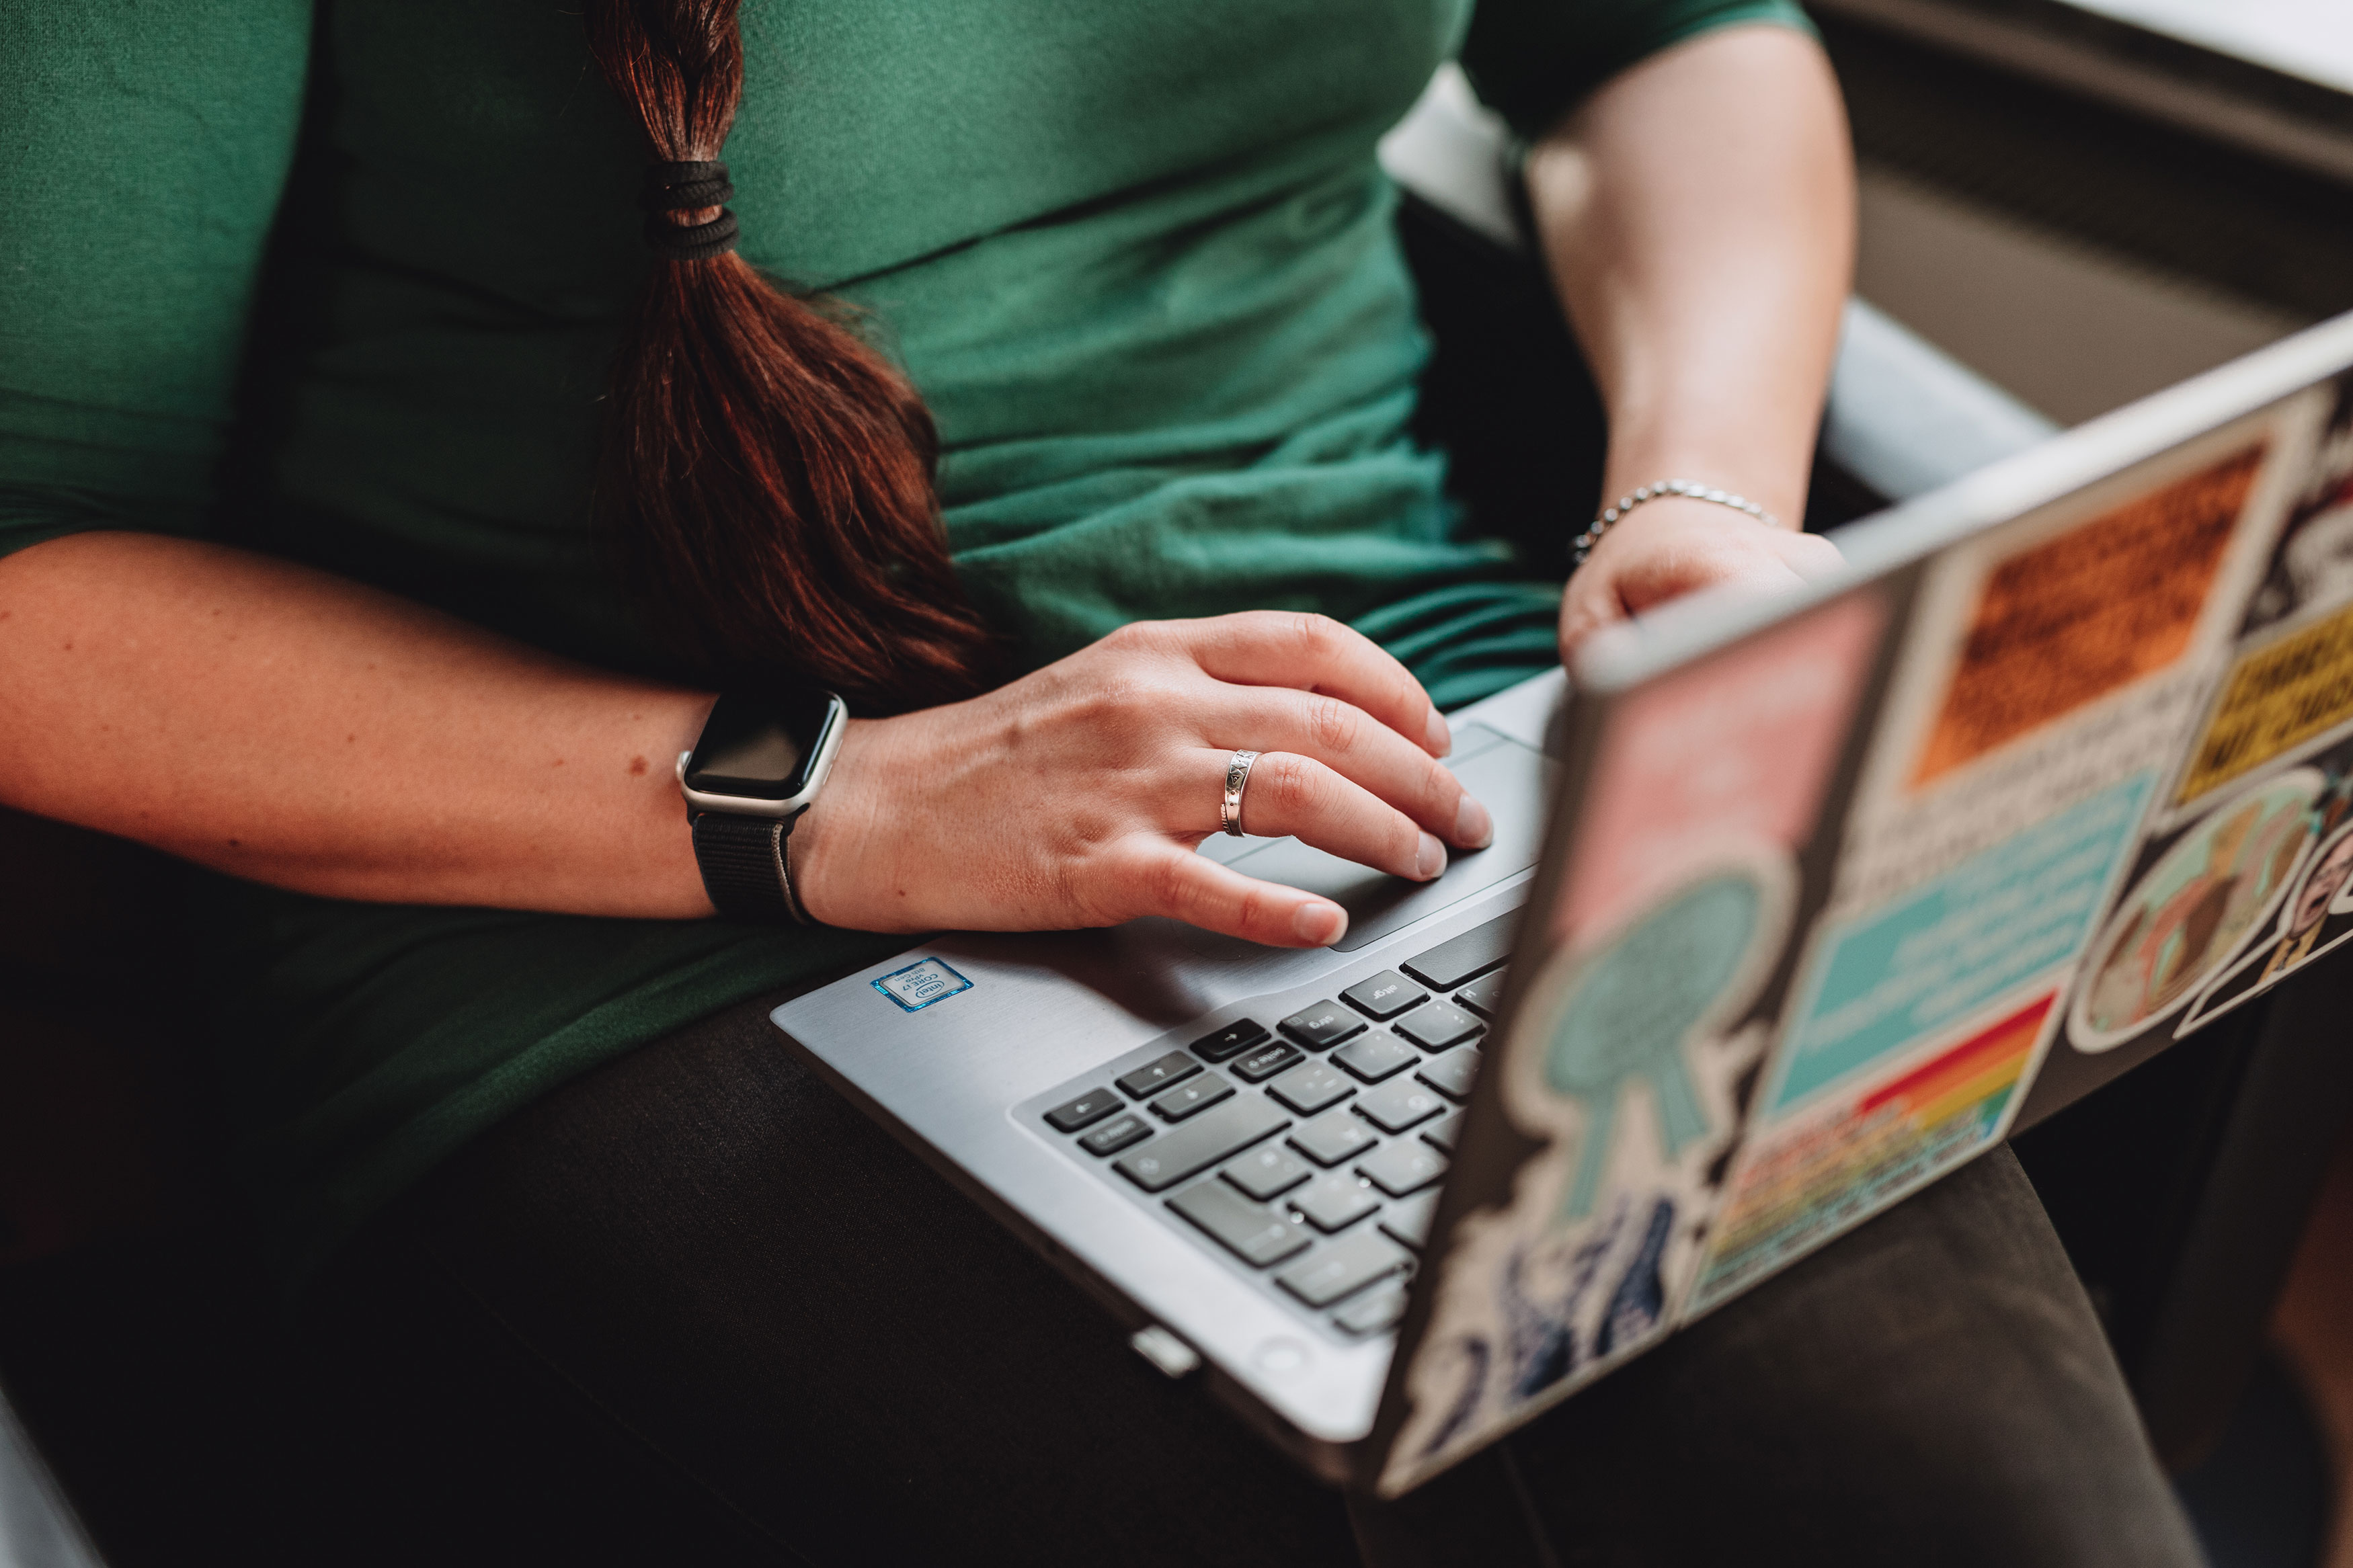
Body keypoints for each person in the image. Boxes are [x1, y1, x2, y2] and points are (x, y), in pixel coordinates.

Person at [0, 1, 2202, 1563]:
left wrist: (1694, 488)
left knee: (1979, 1523)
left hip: (1413, 738)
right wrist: (843, 806)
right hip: (626, 901)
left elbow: (1661, 38)